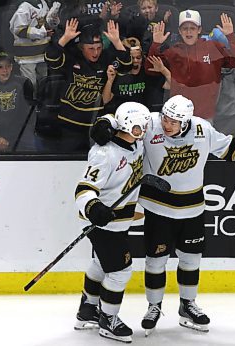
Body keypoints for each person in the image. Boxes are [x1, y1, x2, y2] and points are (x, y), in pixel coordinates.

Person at [90, 94, 235, 335]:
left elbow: (228, 147)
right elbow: (124, 116)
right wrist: (105, 122)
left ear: (186, 122)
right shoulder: (152, 124)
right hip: (157, 208)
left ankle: (187, 305)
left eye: (174, 121)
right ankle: (154, 306)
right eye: (165, 118)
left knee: (191, 259)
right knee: (155, 261)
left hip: (192, 209)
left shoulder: (203, 130)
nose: (167, 124)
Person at [74, 101, 151, 343]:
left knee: (100, 263)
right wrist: (94, 207)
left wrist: (105, 120)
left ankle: (87, 309)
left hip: (119, 222)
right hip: (101, 223)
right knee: (120, 270)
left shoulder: (133, 142)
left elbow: (116, 116)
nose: (145, 131)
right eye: (141, 127)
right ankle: (108, 319)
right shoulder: (104, 154)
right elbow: (83, 189)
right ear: (128, 126)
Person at [40, 17, 131, 152]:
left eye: (99, 48)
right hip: (69, 125)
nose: (95, 53)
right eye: (91, 48)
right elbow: (51, 58)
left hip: (95, 125)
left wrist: (117, 42)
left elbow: (126, 65)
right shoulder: (72, 57)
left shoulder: (105, 58)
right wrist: (65, 38)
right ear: (81, 47)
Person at [145, 10, 235, 121]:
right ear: (179, 31)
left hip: (206, 118)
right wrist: (156, 44)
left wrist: (230, 36)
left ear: (199, 30)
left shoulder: (213, 48)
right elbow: (150, 69)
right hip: (178, 117)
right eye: (185, 28)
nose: (189, 32)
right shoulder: (174, 52)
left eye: (192, 28)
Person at [102, 37, 169, 114]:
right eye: (132, 58)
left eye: (138, 58)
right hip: (121, 117)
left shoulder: (147, 73)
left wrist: (163, 70)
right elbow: (105, 100)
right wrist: (110, 80)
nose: (135, 61)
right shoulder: (118, 74)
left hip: (143, 117)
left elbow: (170, 85)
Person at [9, 0, 61, 88]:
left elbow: (47, 25)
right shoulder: (24, 7)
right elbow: (19, 30)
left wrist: (53, 20)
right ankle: (30, 101)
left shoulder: (44, 4)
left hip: (42, 53)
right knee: (30, 84)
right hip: (27, 55)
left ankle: (43, 100)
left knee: (44, 82)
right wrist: (43, 32)